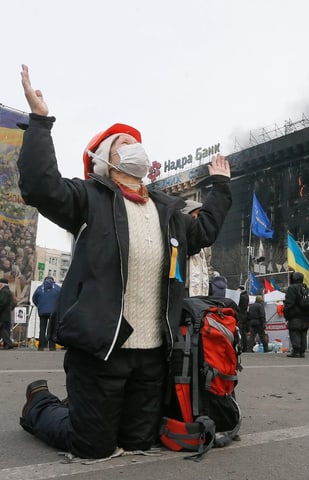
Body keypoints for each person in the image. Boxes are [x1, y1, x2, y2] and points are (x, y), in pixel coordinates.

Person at [17, 65, 232, 459]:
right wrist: (40, 121)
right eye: (122, 144)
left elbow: (203, 233)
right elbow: (39, 187)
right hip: (101, 349)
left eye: (136, 141)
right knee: (92, 446)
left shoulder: (167, 211)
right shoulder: (89, 199)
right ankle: (40, 405)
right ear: (104, 161)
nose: (134, 146)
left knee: (138, 442)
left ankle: (84, 412)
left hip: (152, 353)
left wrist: (218, 187)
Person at [181, 200, 213, 297]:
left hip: (202, 291)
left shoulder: (205, 243)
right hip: (184, 290)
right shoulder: (179, 236)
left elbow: (208, 264)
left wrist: (209, 276)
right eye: (196, 214)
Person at [283, 271, 309, 358]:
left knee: (294, 332)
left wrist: (286, 312)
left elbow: (289, 303)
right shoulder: (305, 288)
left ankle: (296, 351)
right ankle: (302, 351)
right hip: (305, 315)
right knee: (303, 332)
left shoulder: (292, 288)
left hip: (294, 315)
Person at [31, 276, 61, 351]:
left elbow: (34, 298)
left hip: (42, 312)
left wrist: (39, 306)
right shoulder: (57, 288)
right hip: (53, 312)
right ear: (53, 281)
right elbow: (61, 298)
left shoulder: (39, 288)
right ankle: (52, 346)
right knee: (52, 329)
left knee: (42, 329)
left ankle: (41, 346)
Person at [0, 278, 15, 349]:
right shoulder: (7, 291)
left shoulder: (4, 292)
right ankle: (7, 344)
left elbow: (2, 303)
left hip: (3, 314)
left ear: (1, 284)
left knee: (2, 329)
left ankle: (9, 343)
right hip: (5, 314)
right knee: (4, 329)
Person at [236, 286, 250, 352]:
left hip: (240, 315)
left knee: (240, 332)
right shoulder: (246, 296)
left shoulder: (241, 297)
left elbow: (237, 305)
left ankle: (240, 346)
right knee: (244, 332)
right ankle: (245, 347)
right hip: (245, 316)